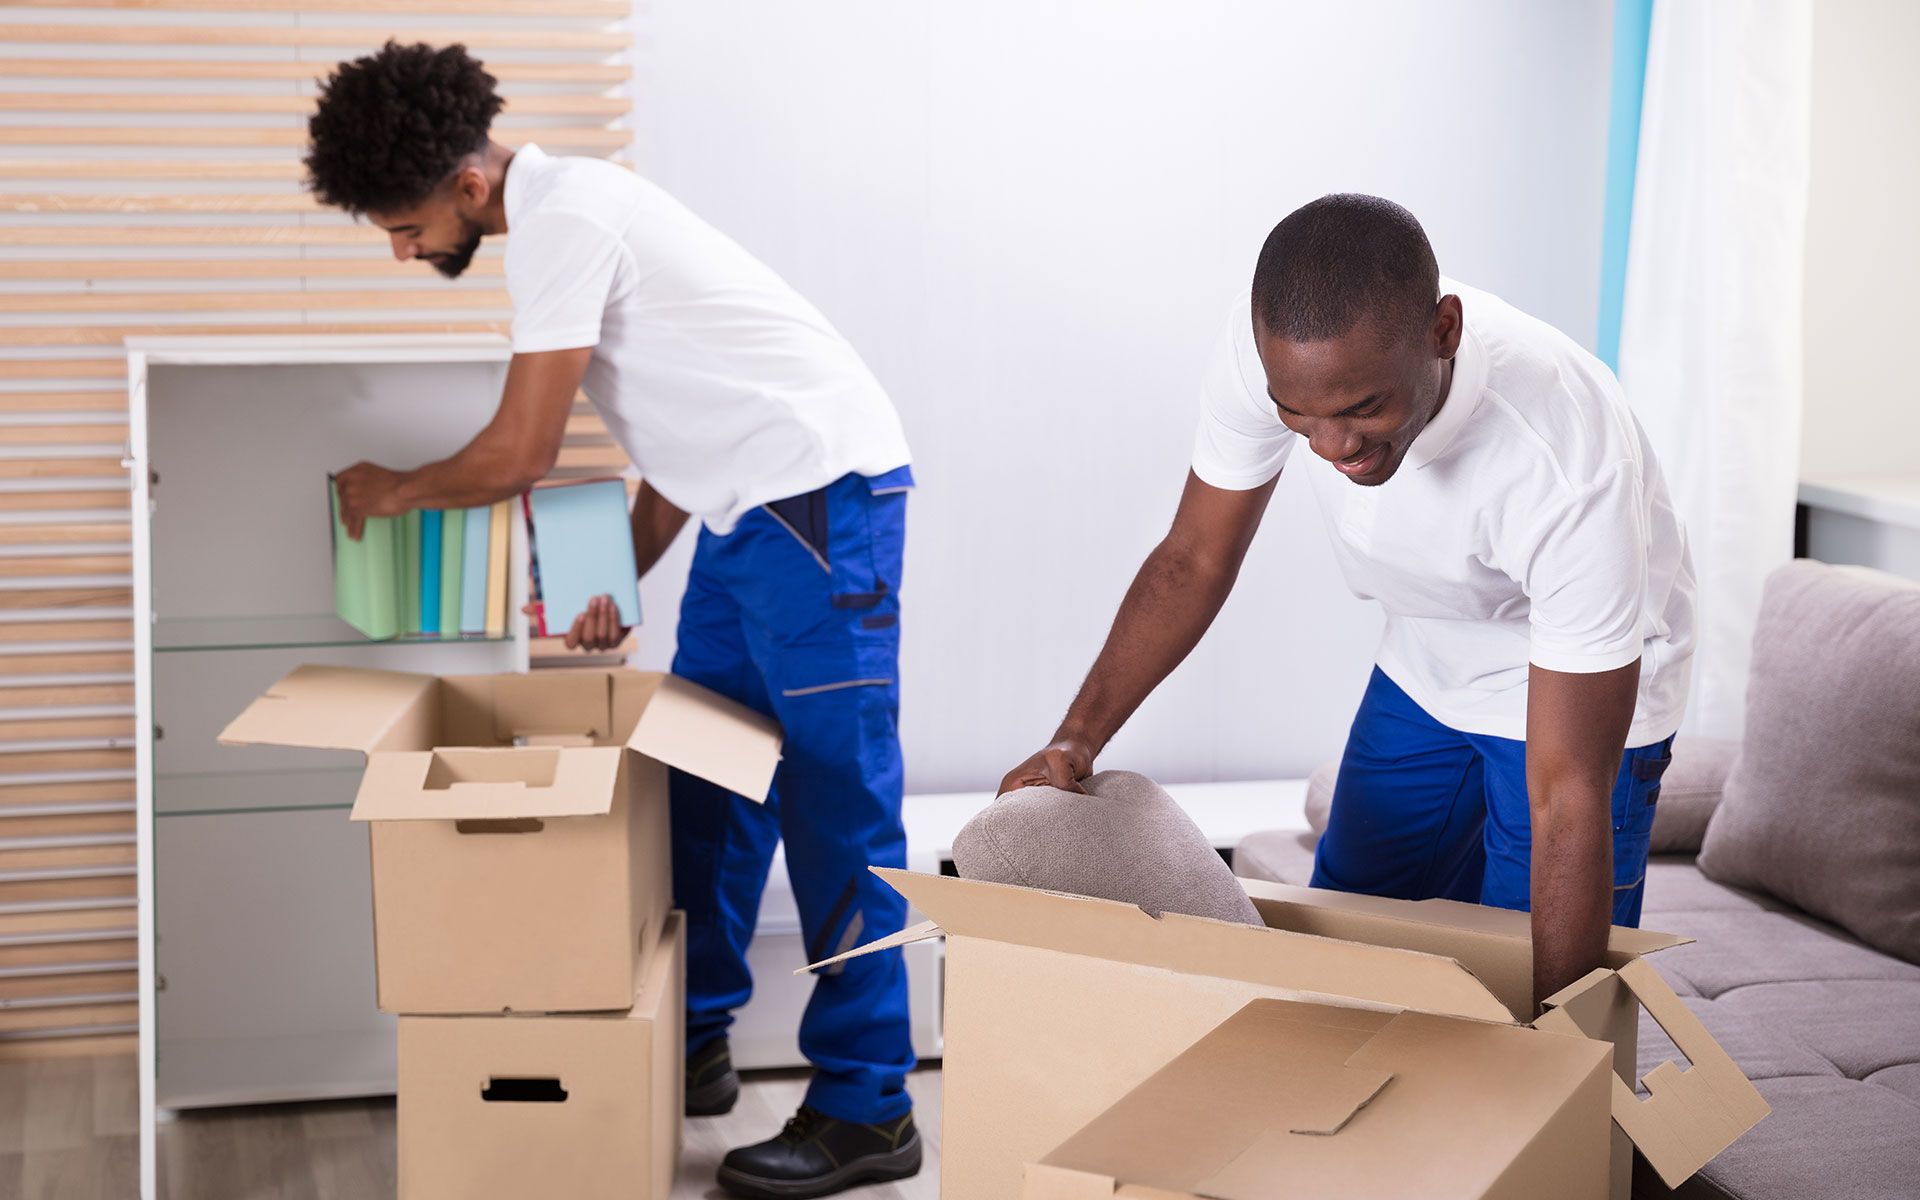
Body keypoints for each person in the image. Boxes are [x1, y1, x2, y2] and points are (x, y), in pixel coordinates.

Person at [311, 42, 920, 1199]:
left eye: (403, 224)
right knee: (702, 775)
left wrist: (391, 489)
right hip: (752, 514)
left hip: (823, 503)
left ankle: (869, 1105)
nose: (401, 250)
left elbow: (518, 454)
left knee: (835, 801)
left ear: (469, 187)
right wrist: (626, 578)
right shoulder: (564, 216)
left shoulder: (566, 220)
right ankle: (688, 1035)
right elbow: (692, 426)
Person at [1001, 194, 1695, 1010]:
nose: (1332, 448)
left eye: (1364, 409)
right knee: (1342, 962)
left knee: (1530, 989)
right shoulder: (1270, 351)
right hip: (1428, 657)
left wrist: (1558, 1073)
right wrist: (1075, 741)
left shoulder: (1564, 453)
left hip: (1582, 681)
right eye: (1300, 416)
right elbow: (1194, 556)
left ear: (1444, 332)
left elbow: (1567, 792)